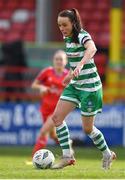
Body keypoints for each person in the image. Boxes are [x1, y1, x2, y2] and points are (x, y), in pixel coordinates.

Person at [51, 8, 116, 170]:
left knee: (87, 129)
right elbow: (74, 60)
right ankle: (67, 156)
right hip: (75, 85)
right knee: (57, 118)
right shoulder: (66, 38)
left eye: (65, 25)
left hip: (90, 88)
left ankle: (107, 153)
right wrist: (70, 75)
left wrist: (80, 65)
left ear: (73, 23)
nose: (62, 28)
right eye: (59, 25)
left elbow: (92, 49)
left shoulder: (82, 35)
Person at [31, 50, 69, 156]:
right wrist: (42, 87)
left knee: (43, 131)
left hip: (58, 110)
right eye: (57, 59)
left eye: (61, 59)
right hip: (45, 109)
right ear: (53, 60)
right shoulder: (47, 72)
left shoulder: (68, 76)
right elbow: (34, 84)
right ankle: (68, 144)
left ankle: (35, 157)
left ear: (65, 61)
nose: (58, 61)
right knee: (52, 135)